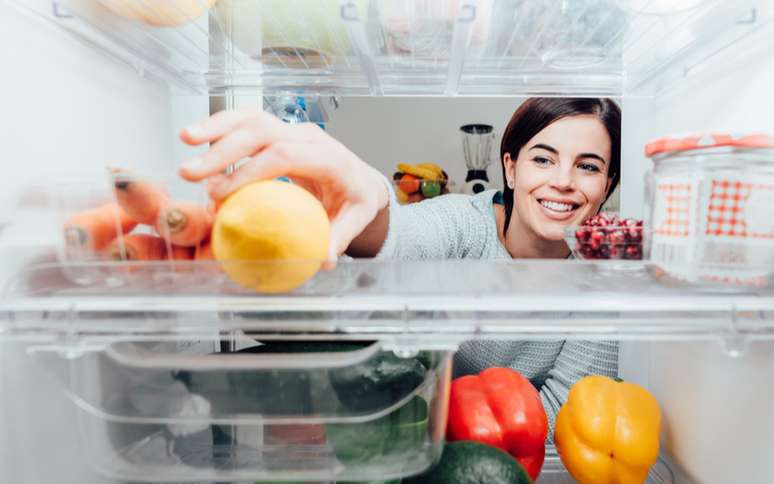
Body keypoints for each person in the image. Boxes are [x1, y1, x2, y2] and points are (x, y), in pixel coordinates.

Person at [179, 97, 621, 435]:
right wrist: (368, 197)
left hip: (500, 455)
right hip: (410, 438)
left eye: (588, 167)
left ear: (608, 186)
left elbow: (573, 414)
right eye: (543, 159)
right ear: (510, 168)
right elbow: (404, 237)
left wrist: (435, 421)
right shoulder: (464, 222)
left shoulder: (602, 276)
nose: (562, 181)